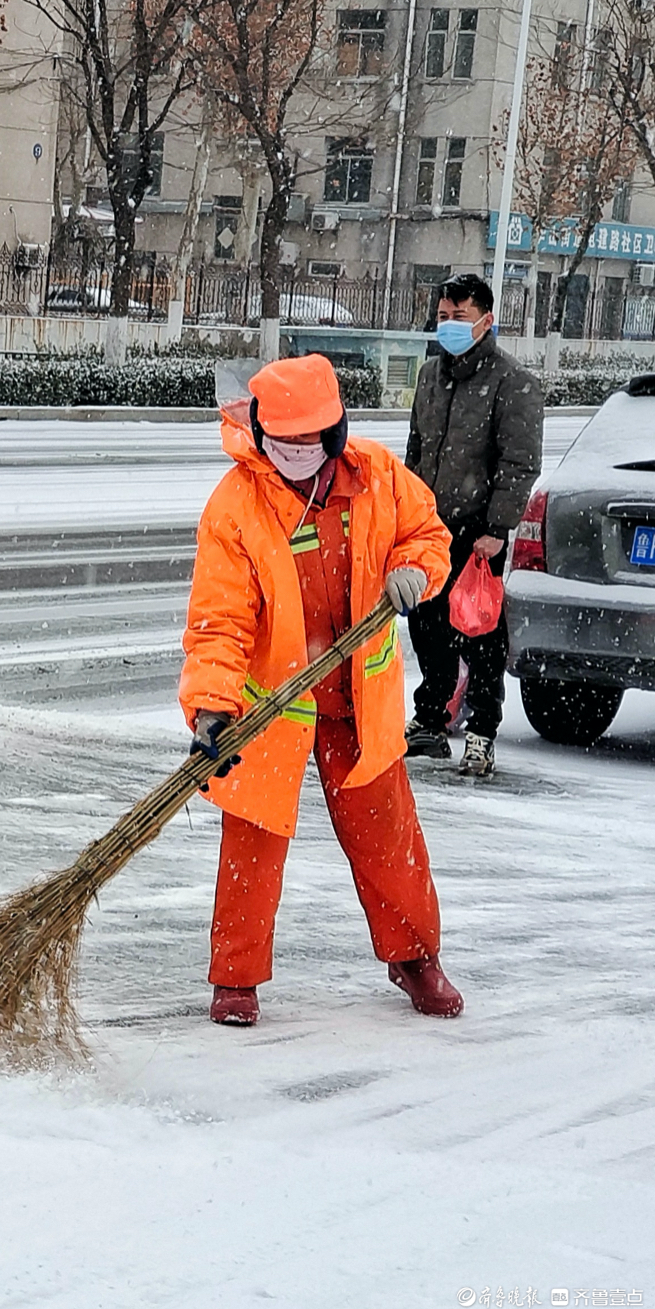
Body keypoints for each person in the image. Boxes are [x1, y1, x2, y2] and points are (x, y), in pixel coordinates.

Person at [179, 354, 463, 1028]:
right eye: (283, 443)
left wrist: (412, 573)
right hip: (274, 702)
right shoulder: (237, 505)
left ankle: (416, 958)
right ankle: (236, 978)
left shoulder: (377, 478)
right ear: (259, 434)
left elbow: (428, 536)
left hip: (359, 698)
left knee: (389, 839)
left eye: (310, 442)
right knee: (251, 842)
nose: (296, 455)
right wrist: (213, 706)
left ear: (335, 435)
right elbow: (219, 621)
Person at [405, 272, 543, 778]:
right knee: (426, 627)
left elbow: (520, 462)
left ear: (485, 320)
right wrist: (407, 511)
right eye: (443, 316)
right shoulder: (429, 377)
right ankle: (431, 720)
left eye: (459, 318)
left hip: (479, 531)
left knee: (480, 633)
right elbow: (416, 450)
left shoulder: (513, 382)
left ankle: (482, 730)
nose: (449, 326)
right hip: (429, 528)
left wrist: (498, 527)